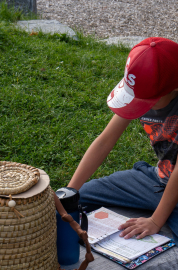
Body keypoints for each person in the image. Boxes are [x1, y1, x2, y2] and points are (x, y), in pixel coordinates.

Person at [64, 37, 178, 243]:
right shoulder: (142, 91)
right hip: (158, 180)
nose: (141, 105)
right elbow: (104, 141)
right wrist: (69, 193)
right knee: (84, 194)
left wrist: (155, 220)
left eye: (147, 100)